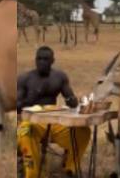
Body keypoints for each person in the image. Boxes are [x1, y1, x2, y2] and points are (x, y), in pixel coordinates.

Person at [17, 46, 90, 177]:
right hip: (31, 121)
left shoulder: (59, 77)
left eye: (45, 59)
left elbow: (71, 101)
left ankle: (69, 169)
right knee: (25, 129)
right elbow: (16, 106)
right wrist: (30, 100)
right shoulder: (25, 78)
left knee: (83, 131)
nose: (41, 62)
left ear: (52, 61)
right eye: (39, 59)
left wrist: (72, 100)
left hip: (53, 122)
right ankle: (32, 174)